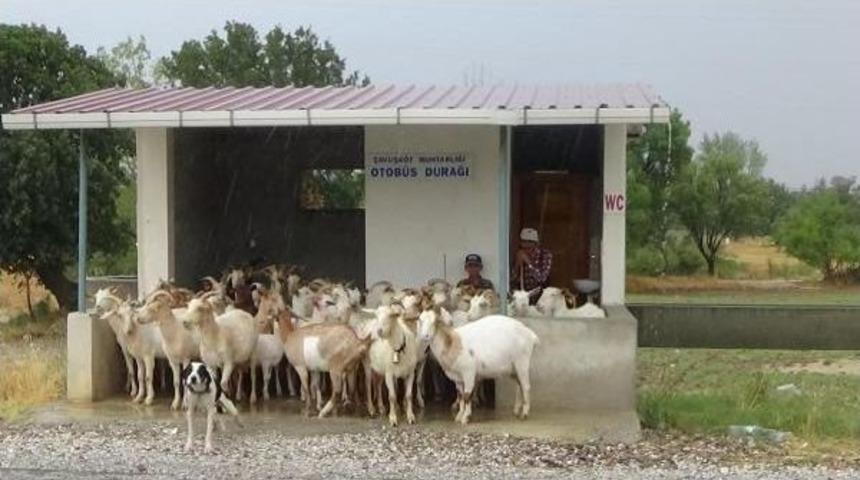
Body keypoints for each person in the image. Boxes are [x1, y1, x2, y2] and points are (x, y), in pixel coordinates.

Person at [512, 228, 552, 294]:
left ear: (536, 244)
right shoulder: (519, 255)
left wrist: (528, 262)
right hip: (524, 295)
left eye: (529, 248)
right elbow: (512, 280)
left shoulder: (545, 255)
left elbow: (541, 278)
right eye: (524, 248)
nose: (527, 251)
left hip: (541, 295)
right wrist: (517, 264)